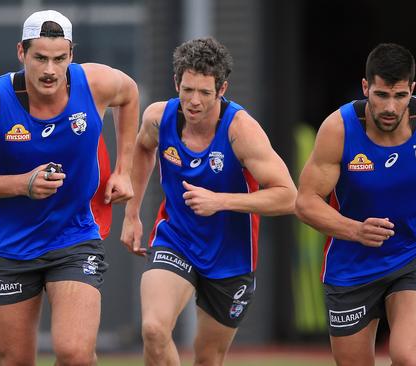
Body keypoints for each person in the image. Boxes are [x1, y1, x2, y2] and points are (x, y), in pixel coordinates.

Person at [0, 9, 138, 365]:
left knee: (75, 353)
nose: (50, 70)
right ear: (21, 52)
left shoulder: (95, 84)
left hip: (74, 236)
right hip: (10, 245)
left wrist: (124, 170)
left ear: (71, 55)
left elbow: (128, 94)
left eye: (59, 58)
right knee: (17, 360)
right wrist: (23, 184)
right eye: (40, 58)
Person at [120, 37, 297, 365]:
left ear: (222, 89)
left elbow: (288, 196)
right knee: (154, 330)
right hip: (177, 240)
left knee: (207, 358)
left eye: (204, 92)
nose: (194, 101)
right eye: (187, 90)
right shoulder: (160, 118)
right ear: (176, 83)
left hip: (231, 257)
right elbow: (143, 148)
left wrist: (221, 201)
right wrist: (132, 214)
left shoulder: (240, 130)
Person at [295, 43, 416, 366]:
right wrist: (355, 230)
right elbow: (306, 203)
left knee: (408, 358)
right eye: (381, 95)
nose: (390, 107)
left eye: (400, 96)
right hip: (352, 265)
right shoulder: (339, 129)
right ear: (366, 88)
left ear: (412, 90)